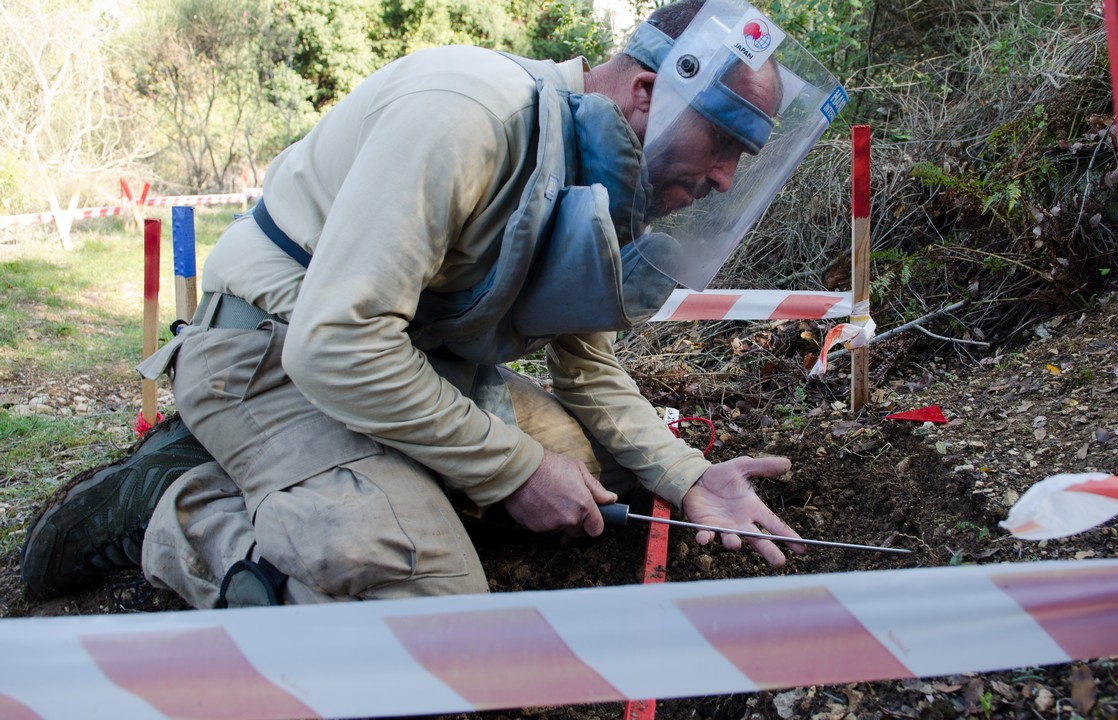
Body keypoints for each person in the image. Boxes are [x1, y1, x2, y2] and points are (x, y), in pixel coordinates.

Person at [21, 0, 848, 607]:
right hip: (270, 354)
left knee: (581, 465)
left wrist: (691, 478)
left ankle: (305, 479)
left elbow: (588, 368)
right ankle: (173, 510)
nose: (724, 181)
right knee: (435, 607)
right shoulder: (470, 115)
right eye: (727, 143)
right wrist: (514, 468)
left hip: (401, 369)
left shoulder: (601, 174)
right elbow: (335, 345)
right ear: (647, 91)